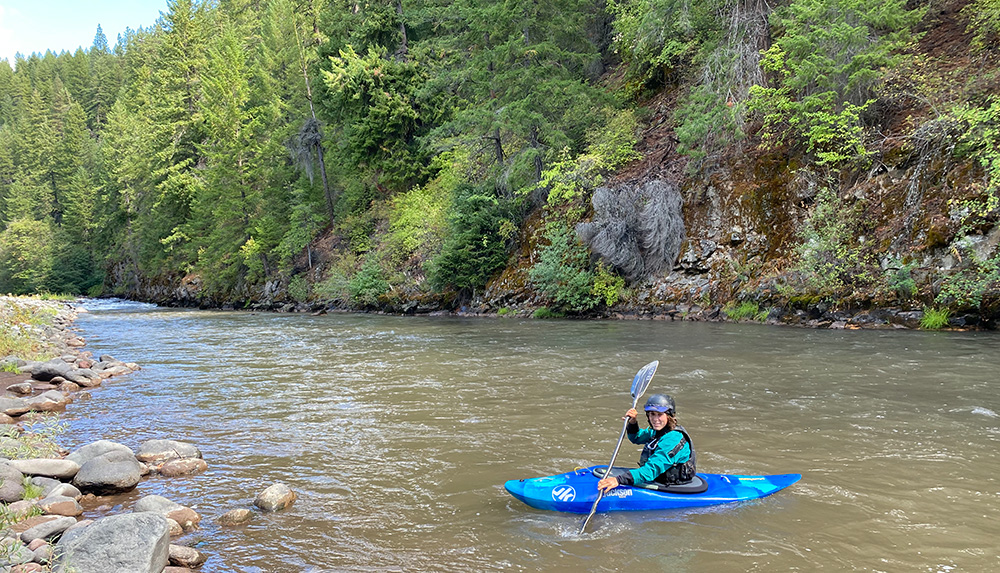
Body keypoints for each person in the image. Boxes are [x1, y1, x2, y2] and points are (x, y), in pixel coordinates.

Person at [596, 393, 697, 493]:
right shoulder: (657, 431)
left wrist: (618, 480)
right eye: (652, 414)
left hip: (671, 486)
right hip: (658, 478)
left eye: (660, 415)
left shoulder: (673, 439)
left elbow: (651, 470)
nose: (655, 419)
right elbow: (636, 437)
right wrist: (632, 423)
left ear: (669, 416)